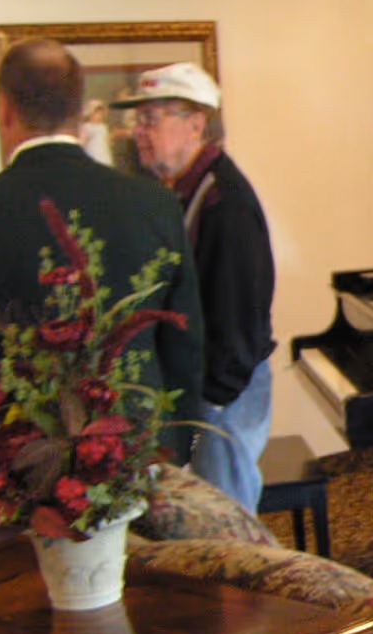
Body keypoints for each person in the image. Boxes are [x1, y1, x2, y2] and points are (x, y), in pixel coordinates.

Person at [0, 39, 205, 460]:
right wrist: (180, 445)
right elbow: (183, 344)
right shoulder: (154, 204)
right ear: (78, 111)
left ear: (5, 109)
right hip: (138, 448)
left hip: (14, 458)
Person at [112, 62, 276, 510]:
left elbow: (240, 313)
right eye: (137, 121)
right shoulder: (189, 189)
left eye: (151, 119)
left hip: (225, 391)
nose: (139, 132)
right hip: (212, 386)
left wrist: (213, 403)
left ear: (196, 123)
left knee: (229, 518)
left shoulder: (223, 201)